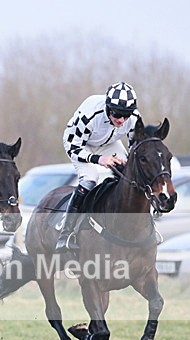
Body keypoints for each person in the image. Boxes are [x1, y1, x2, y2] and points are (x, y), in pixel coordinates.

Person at [55, 82, 141, 252]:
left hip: (109, 143)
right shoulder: (90, 115)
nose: (121, 120)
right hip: (80, 144)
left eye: (126, 115)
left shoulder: (134, 119)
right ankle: (66, 233)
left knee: (129, 176)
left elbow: (134, 149)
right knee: (89, 180)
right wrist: (98, 159)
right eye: (117, 114)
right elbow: (73, 147)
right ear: (108, 107)